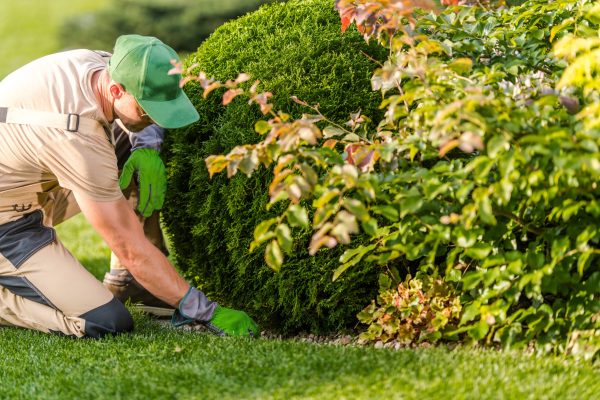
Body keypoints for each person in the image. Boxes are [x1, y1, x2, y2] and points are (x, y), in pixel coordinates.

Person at [0, 34, 258, 338]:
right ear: (115, 89)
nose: (154, 119)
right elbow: (129, 246)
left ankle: (132, 283)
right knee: (105, 321)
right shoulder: (77, 138)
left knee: (132, 140)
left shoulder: (106, 65)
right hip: (9, 226)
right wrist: (203, 309)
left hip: (29, 180)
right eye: (147, 110)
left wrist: (145, 146)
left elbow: (138, 106)